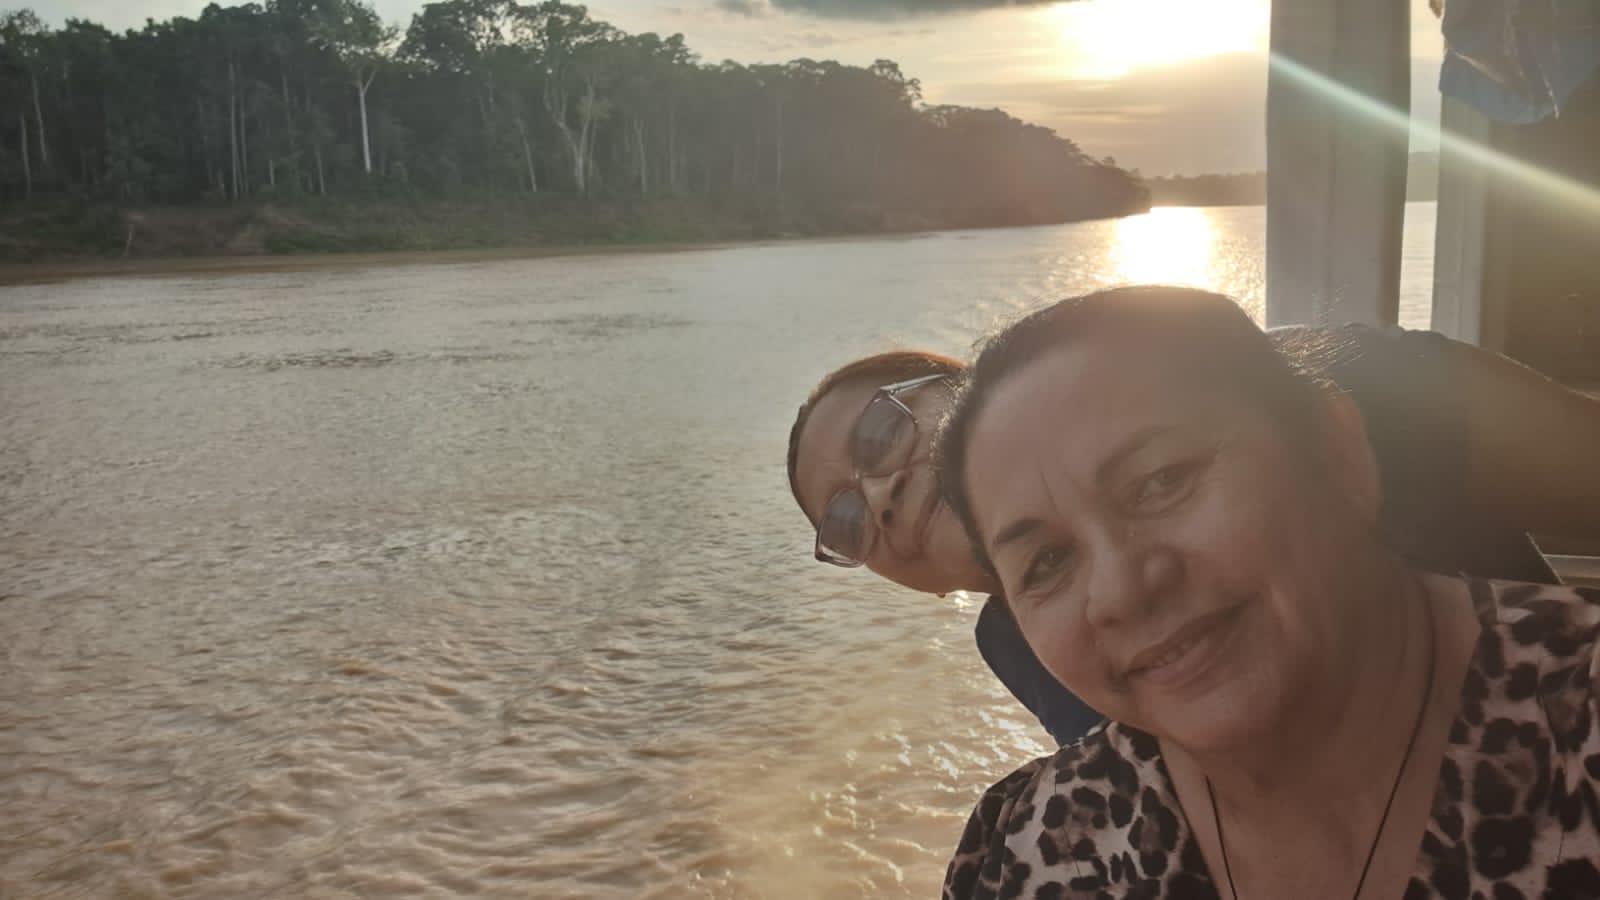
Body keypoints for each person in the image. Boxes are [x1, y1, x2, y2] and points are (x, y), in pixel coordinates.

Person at [934, 285, 1600, 897]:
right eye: (1047, 561)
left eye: (1163, 480)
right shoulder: (1028, 851)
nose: (1121, 593)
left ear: (1338, 451)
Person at [787, 320, 1600, 745]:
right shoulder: (1017, 642)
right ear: (910, 583)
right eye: (848, 520)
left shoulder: (1339, 383)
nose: (882, 495)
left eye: (878, 433)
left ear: (964, 388)